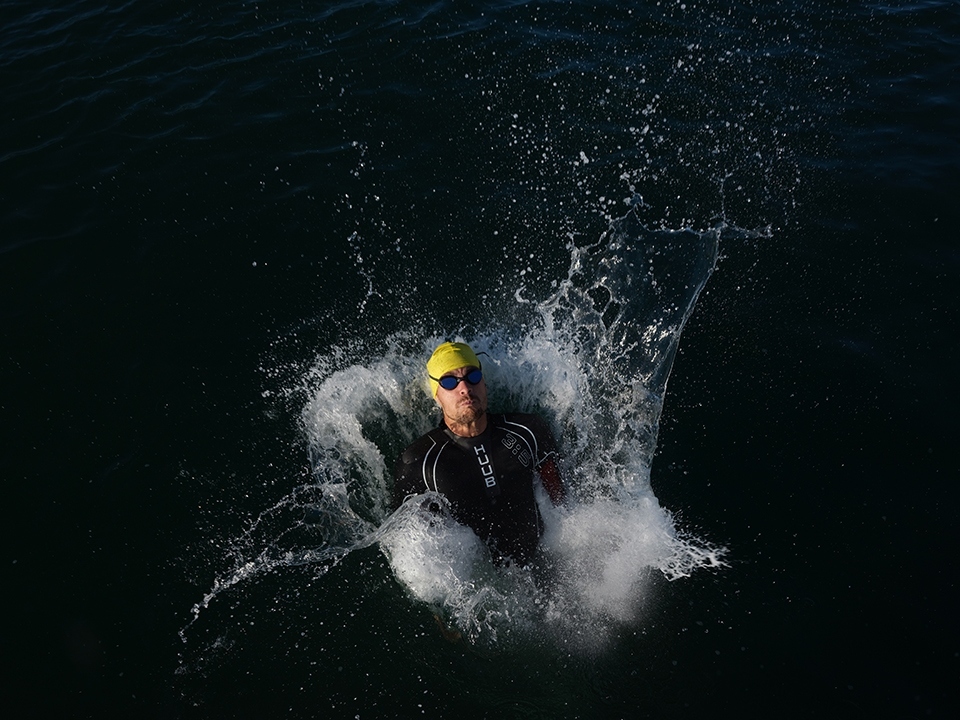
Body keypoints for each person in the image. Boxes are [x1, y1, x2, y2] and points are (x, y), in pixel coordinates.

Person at [393, 341, 565, 567]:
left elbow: (561, 503)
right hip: (480, 593)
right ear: (437, 396)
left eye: (472, 376)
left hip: (546, 565)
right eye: (449, 382)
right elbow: (411, 549)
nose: (464, 388)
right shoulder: (420, 464)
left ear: (483, 382)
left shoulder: (528, 431)